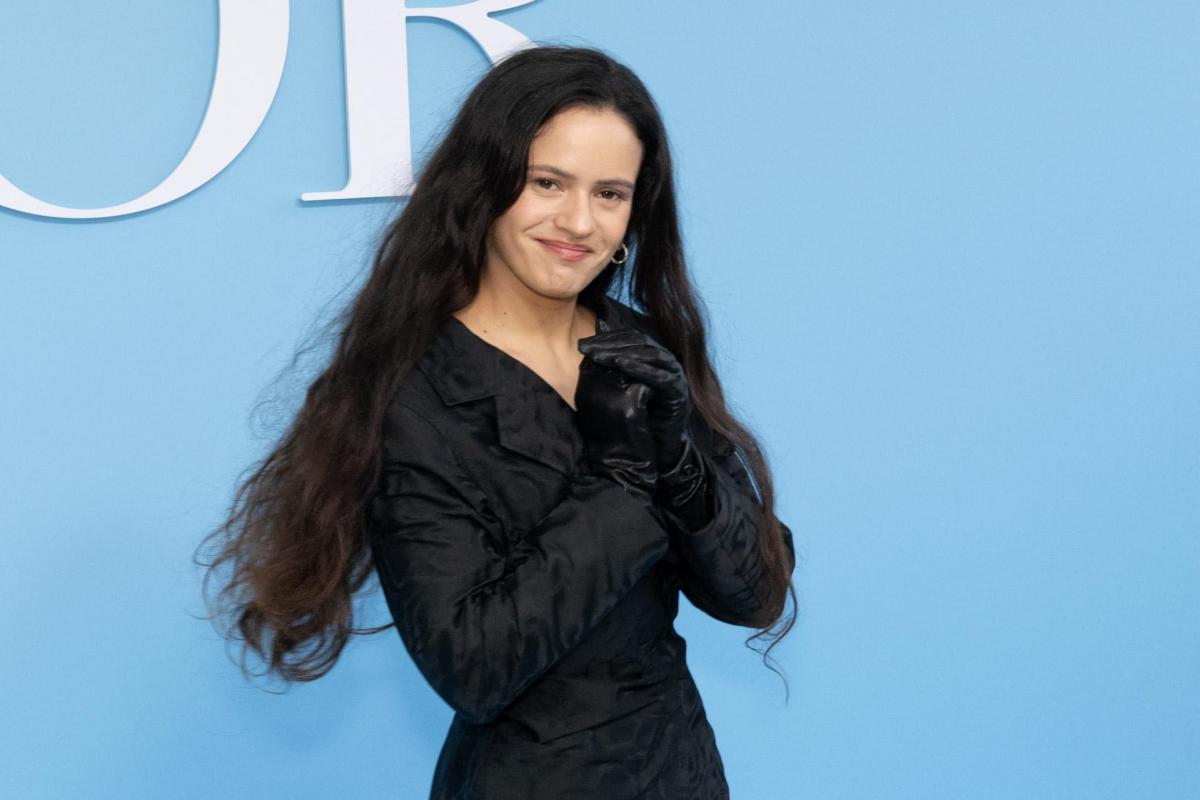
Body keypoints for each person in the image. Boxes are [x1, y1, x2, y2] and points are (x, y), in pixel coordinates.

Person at [197, 45, 796, 799]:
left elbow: (756, 596)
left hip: (678, 770)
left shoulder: (643, 347)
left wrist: (680, 467)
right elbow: (475, 667)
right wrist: (620, 480)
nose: (578, 222)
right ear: (486, 182)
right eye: (549, 182)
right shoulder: (412, 396)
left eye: (611, 194)